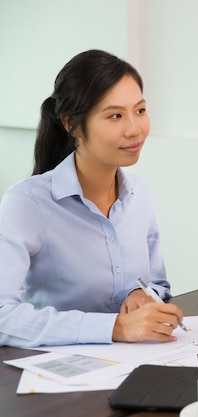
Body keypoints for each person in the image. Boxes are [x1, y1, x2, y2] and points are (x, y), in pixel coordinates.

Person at [0, 50, 184, 348]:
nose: (134, 129)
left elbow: (158, 286)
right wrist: (114, 327)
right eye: (115, 116)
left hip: (130, 363)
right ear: (71, 124)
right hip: (54, 375)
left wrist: (141, 295)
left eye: (140, 111)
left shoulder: (140, 193)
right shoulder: (27, 203)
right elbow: (2, 316)